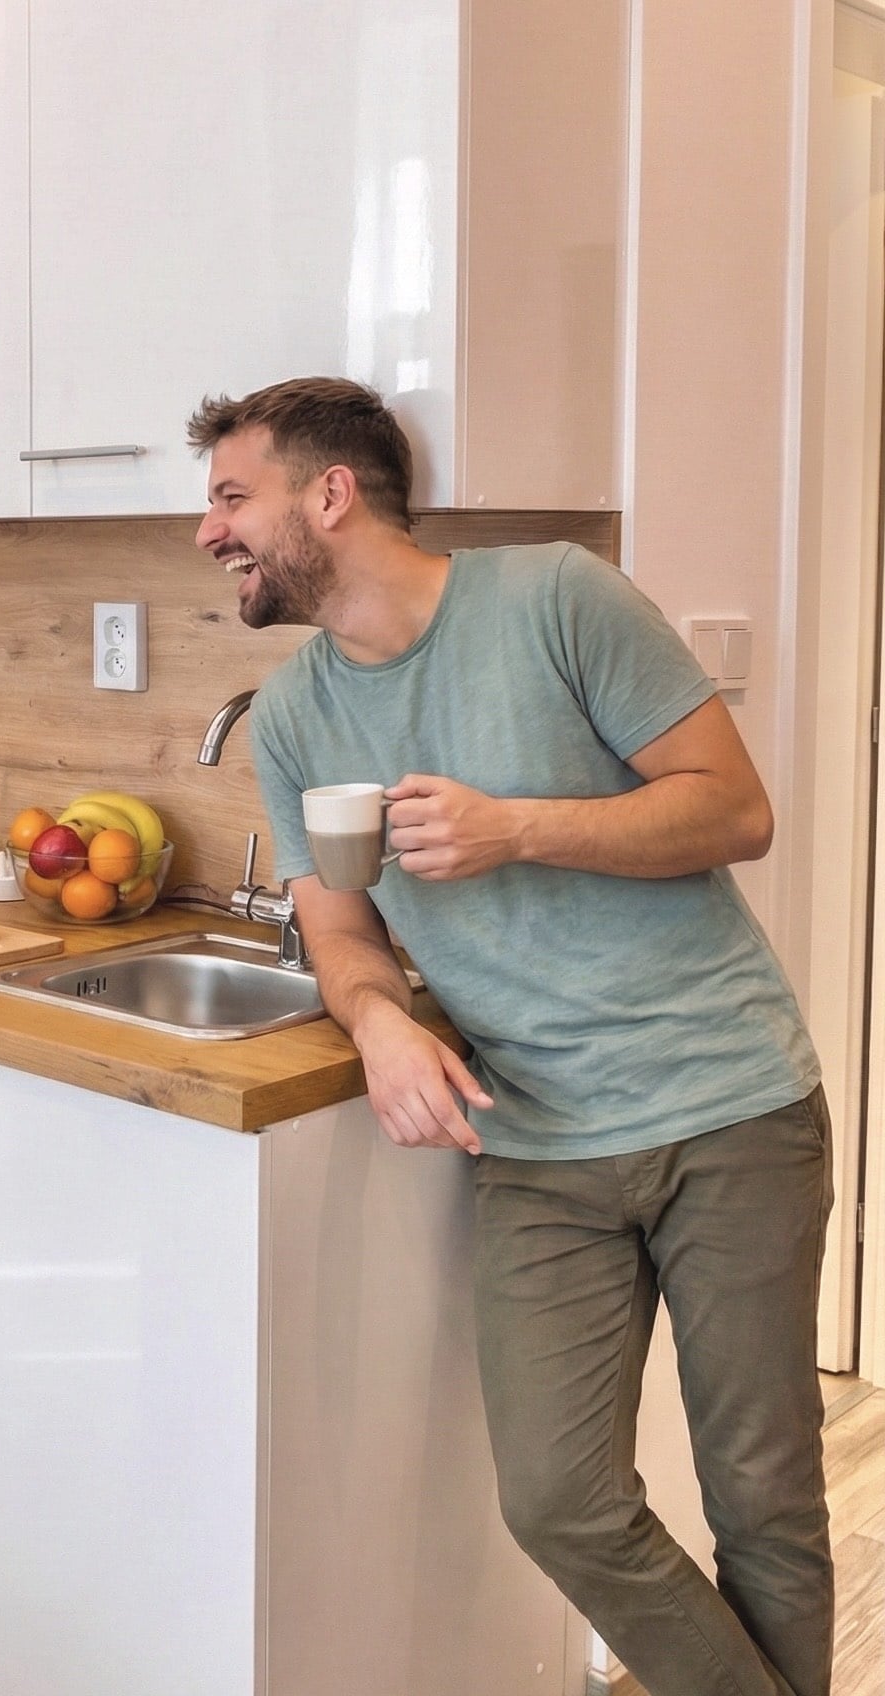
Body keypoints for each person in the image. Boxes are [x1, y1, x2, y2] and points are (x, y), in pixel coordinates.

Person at [189, 376, 832, 1696]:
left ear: (331, 493)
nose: (208, 533)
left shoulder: (553, 599)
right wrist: (372, 1022)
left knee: (763, 1500)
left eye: (229, 496)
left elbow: (734, 811)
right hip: (535, 1137)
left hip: (729, 1108)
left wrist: (518, 826)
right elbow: (343, 932)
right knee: (557, 1502)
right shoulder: (301, 713)